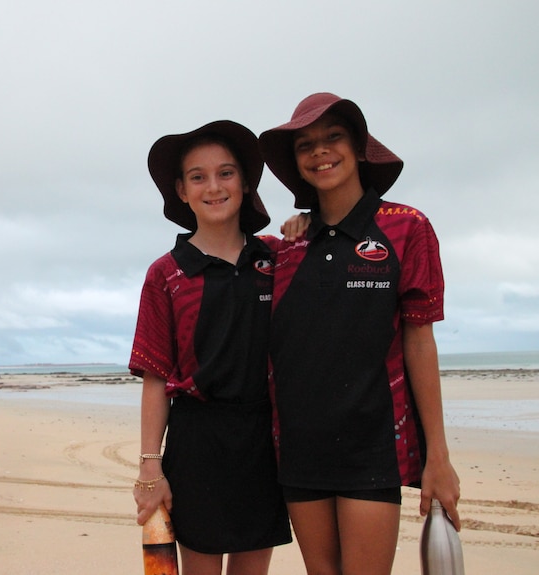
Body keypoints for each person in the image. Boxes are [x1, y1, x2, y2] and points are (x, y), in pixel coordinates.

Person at [258, 92, 461, 575]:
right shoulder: (285, 248)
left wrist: (439, 457)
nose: (320, 151)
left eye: (333, 138)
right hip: (300, 445)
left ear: (359, 148)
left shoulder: (406, 228)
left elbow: (418, 341)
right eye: (305, 144)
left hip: (374, 443)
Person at [129, 120, 293, 575]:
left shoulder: (278, 258)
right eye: (198, 177)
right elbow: (156, 376)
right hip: (198, 443)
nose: (214, 186)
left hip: (266, 440)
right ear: (181, 190)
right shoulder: (166, 273)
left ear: (245, 182)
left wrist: (307, 224)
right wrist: (150, 466)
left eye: (226, 173)